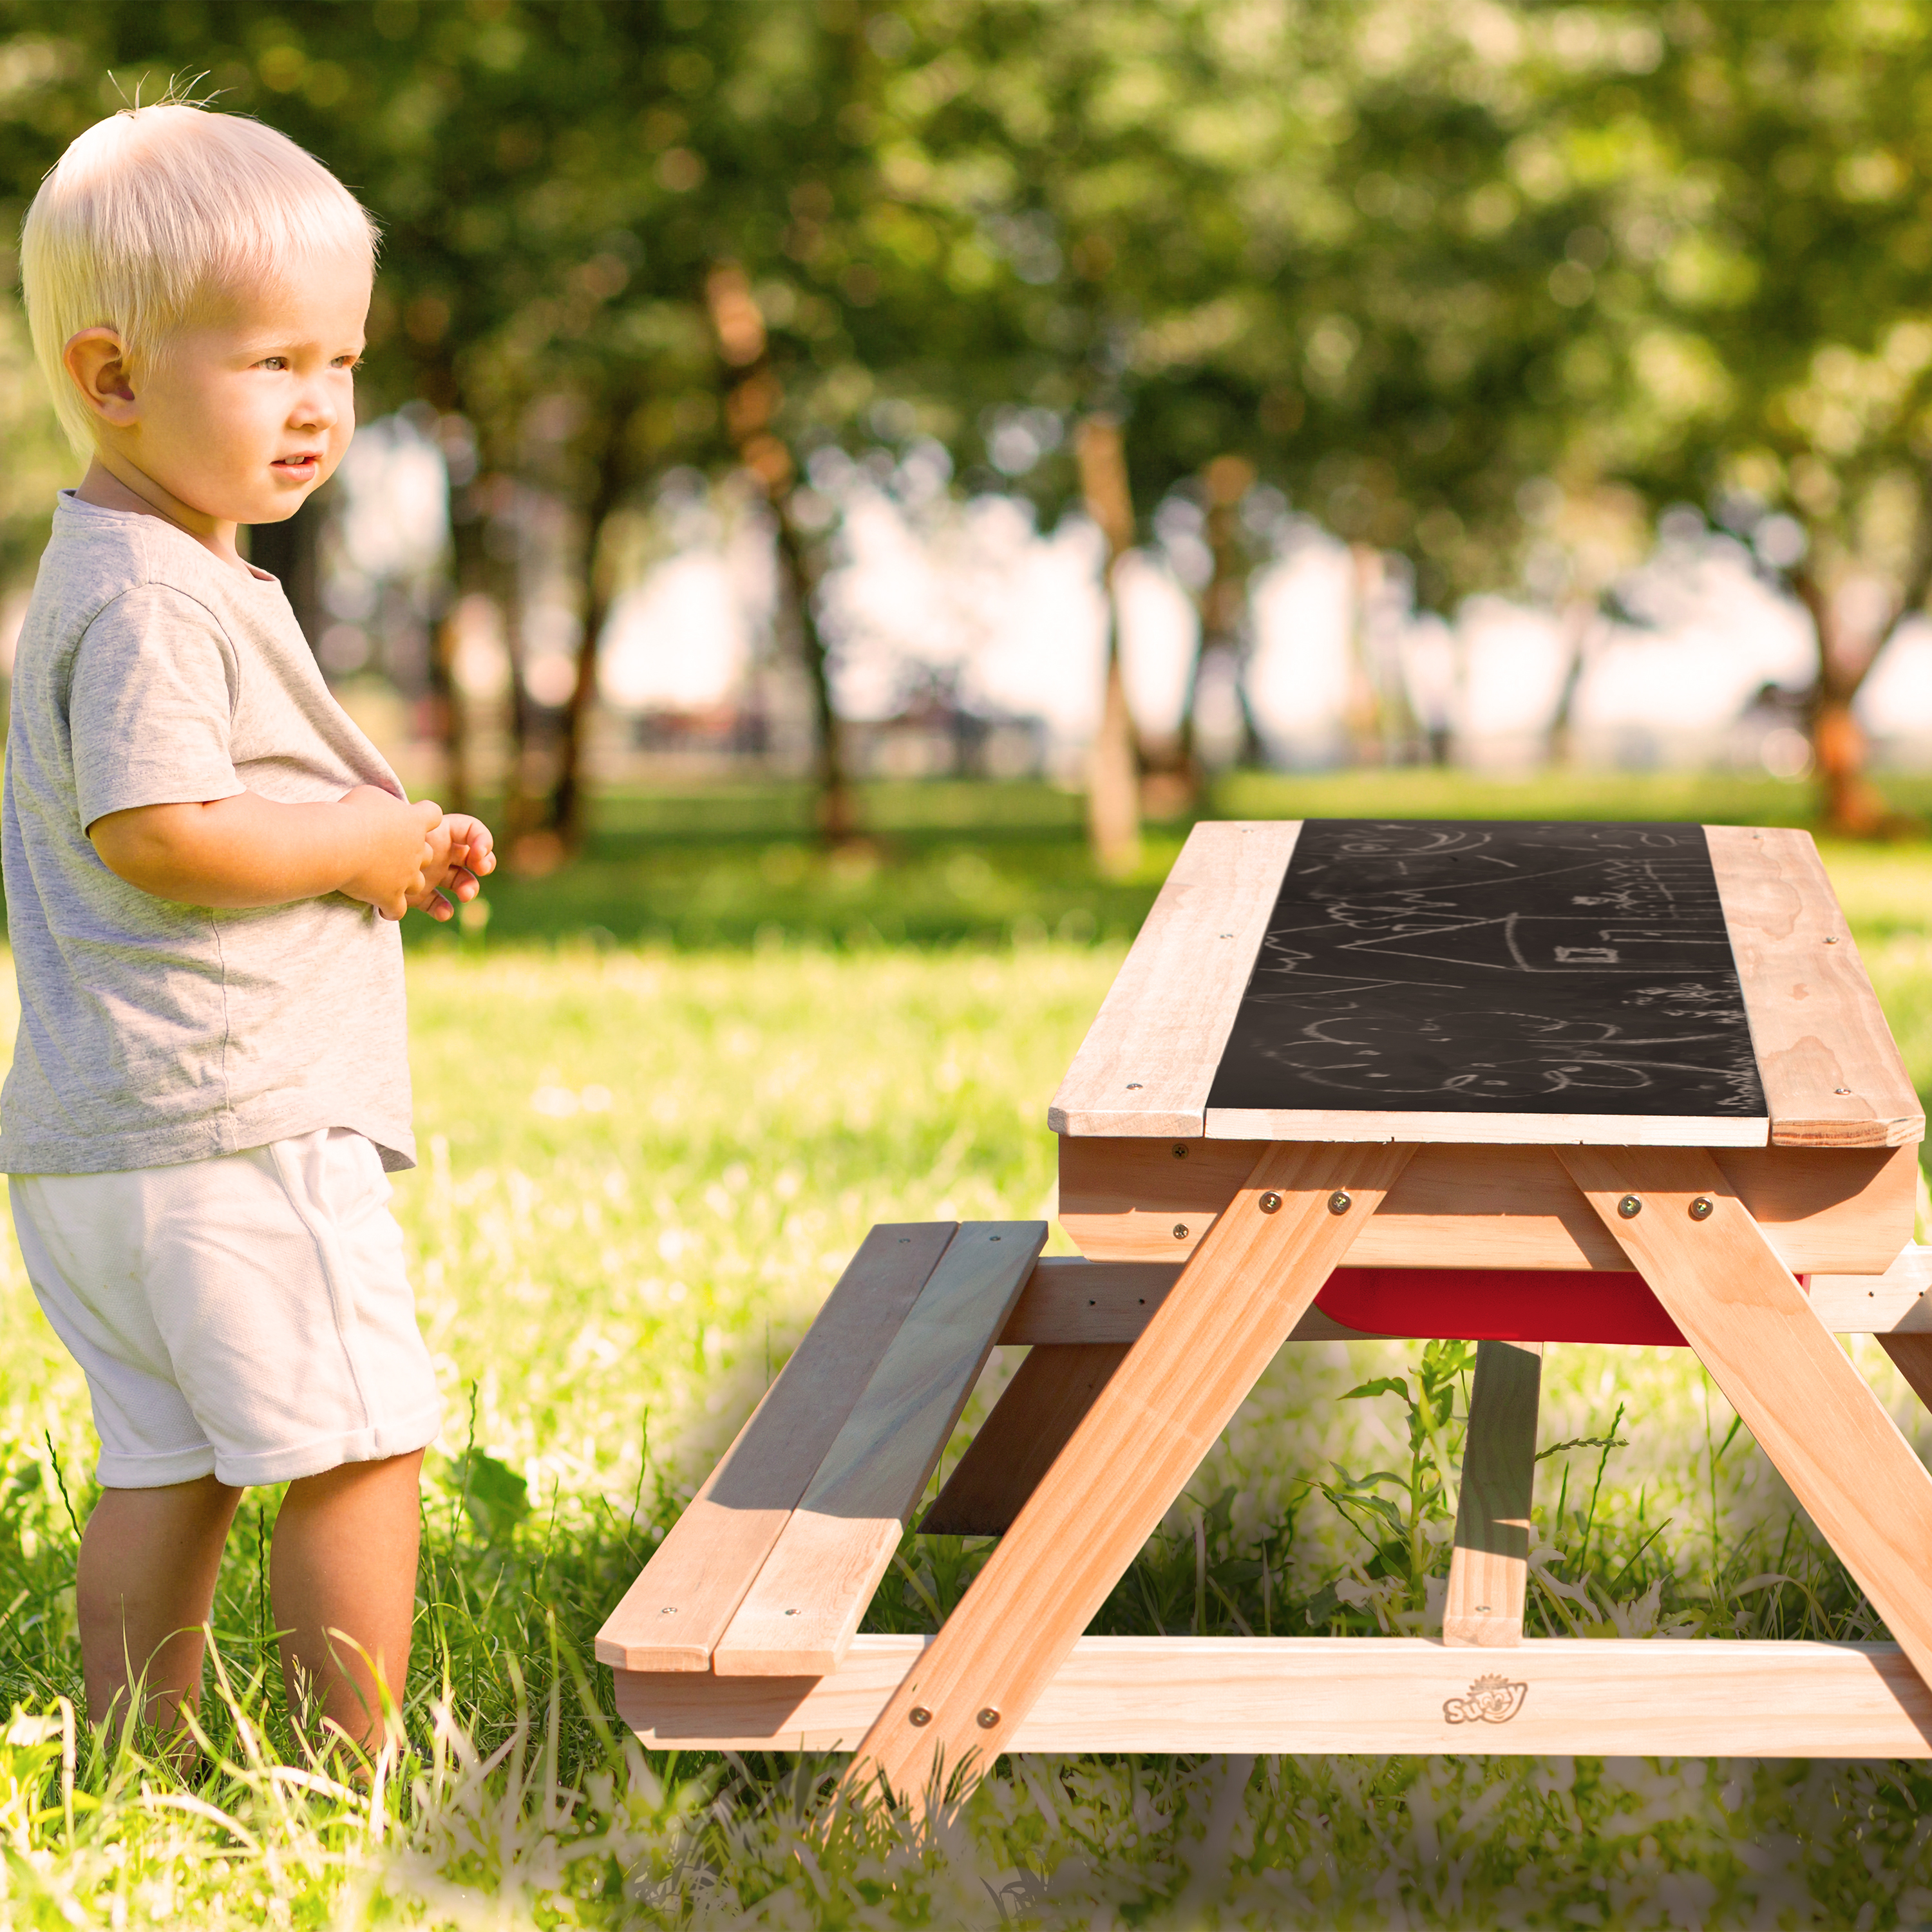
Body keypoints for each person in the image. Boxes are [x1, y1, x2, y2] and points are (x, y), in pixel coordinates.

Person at [8, 99, 493, 1759]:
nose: (320, 405)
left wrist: (382, 847)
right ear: (113, 375)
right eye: (273, 361)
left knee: (172, 1459)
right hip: (230, 1123)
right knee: (361, 1441)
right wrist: (354, 839)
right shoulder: (156, 596)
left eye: (341, 362)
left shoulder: (123, 569)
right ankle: (352, 1774)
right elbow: (158, 832)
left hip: (109, 1136)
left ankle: (135, 1759)